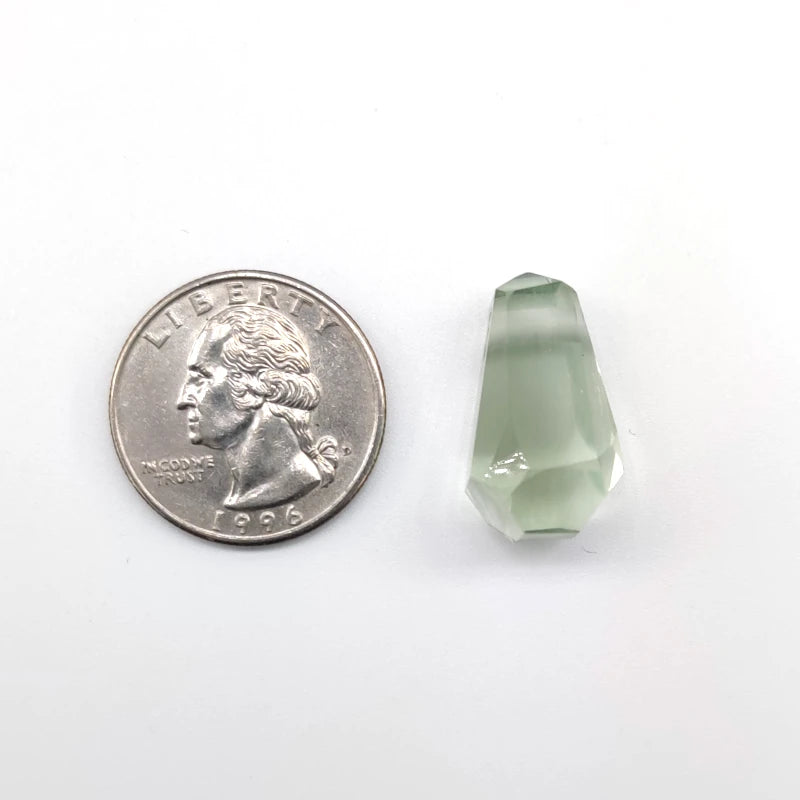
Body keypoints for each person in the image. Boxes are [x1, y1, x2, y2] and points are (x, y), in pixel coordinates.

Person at [177, 304, 338, 509]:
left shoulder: (290, 484)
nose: (183, 399)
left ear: (253, 387)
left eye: (201, 378)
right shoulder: (249, 493)